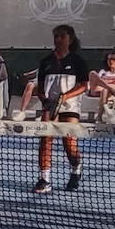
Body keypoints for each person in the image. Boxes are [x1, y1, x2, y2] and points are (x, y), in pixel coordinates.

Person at [31, 24, 90, 193]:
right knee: (45, 141)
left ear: (70, 39)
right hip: (49, 107)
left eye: (62, 36)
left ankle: (75, 171)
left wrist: (65, 96)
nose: (58, 39)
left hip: (70, 107)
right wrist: (44, 99)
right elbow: (40, 88)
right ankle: (44, 180)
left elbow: (84, 86)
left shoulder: (78, 61)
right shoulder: (46, 62)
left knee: (69, 144)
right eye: (56, 36)